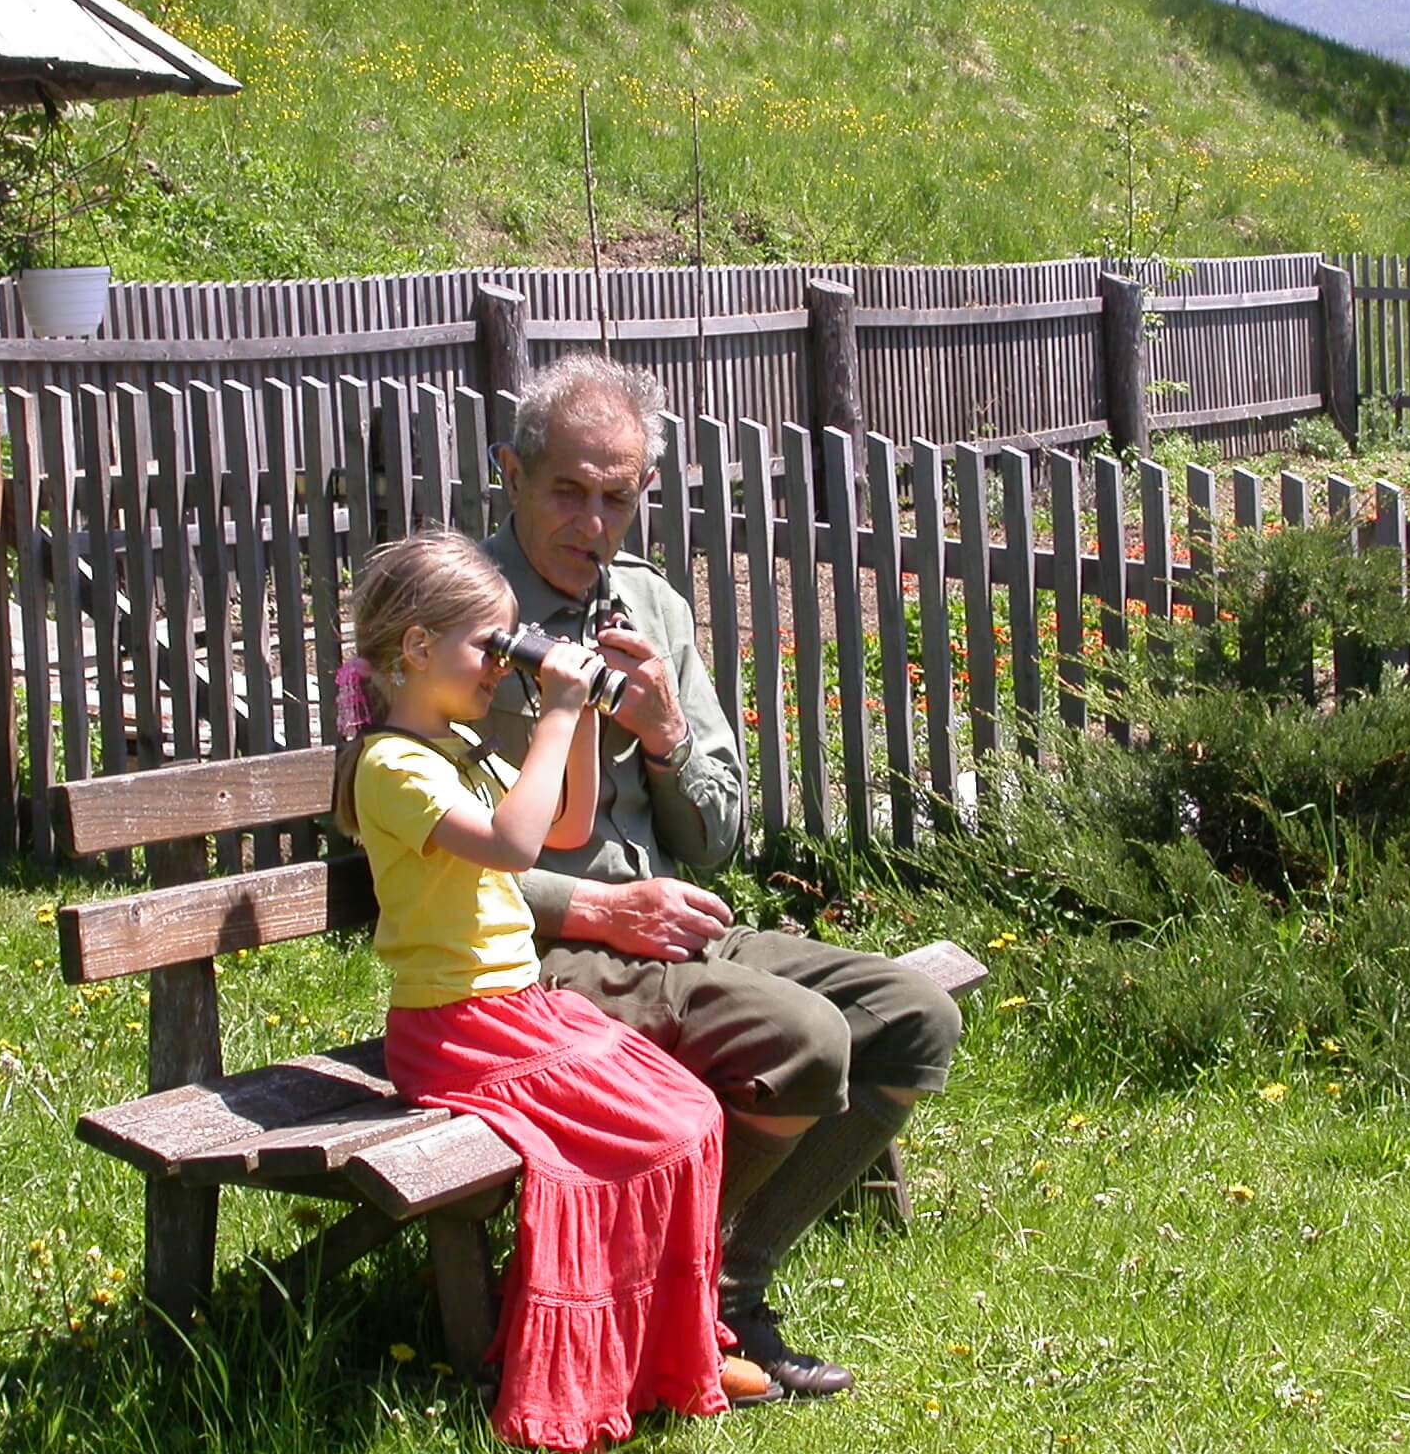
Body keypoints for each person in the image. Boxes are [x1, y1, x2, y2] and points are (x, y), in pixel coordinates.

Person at [477, 354, 965, 1397]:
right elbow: (402, 861)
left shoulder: (652, 608)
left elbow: (716, 840)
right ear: (511, 473)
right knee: (810, 1038)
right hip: (531, 953)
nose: (592, 520)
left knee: (914, 1012)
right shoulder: (459, 616)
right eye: (568, 488)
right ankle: (690, 1297)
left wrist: (662, 739)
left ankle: (720, 1288)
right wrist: (597, 904)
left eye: (618, 496)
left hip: (672, 918)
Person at [330, 530, 767, 1453]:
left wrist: (582, 719)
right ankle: (601, 1357)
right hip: (456, 1026)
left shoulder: (455, 746)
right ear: (414, 648)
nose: (501, 667)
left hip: (512, 1010)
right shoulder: (393, 766)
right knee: (656, 1132)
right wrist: (559, 711)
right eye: (489, 648)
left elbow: (563, 824)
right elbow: (512, 847)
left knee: (689, 1113)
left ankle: (664, 1342)